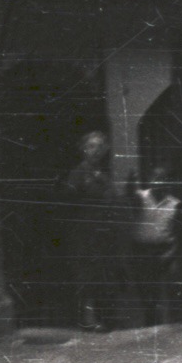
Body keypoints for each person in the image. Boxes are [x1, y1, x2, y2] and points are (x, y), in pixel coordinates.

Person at [61, 131, 126, 331]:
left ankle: (106, 318)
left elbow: (113, 200)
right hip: (85, 233)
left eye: (99, 147)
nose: (95, 151)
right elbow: (68, 199)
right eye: (91, 146)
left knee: (104, 274)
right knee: (86, 276)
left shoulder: (105, 175)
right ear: (83, 149)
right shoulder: (77, 174)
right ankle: (88, 318)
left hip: (104, 233)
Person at [130, 165, 181, 326]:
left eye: (163, 179)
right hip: (142, 250)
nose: (158, 182)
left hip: (165, 251)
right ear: (150, 180)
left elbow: (179, 232)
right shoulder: (140, 198)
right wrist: (131, 182)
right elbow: (130, 195)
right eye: (155, 178)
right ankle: (149, 324)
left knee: (171, 287)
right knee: (146, 290)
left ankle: (171, 325)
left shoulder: (175, 204)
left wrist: (171, 253)